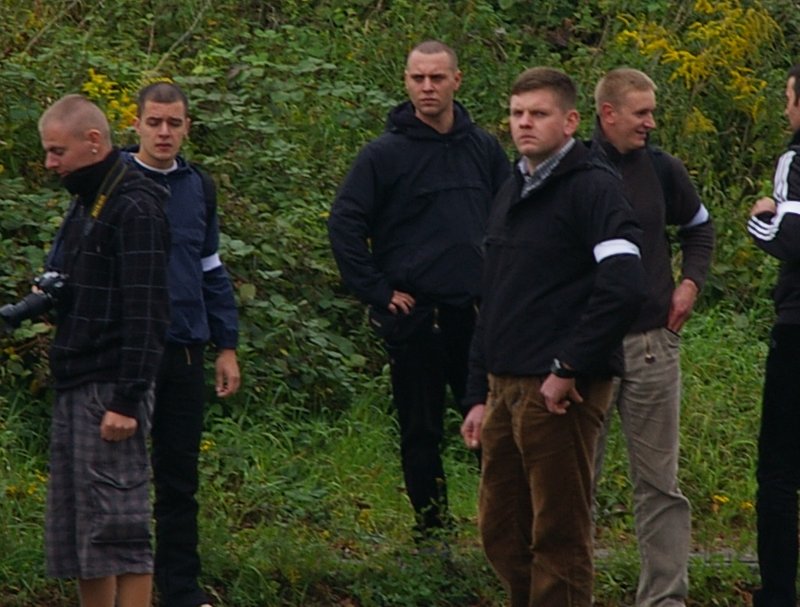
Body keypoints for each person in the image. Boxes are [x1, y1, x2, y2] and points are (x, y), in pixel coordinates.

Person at [460, 67, 646, 607]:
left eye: (537, 114)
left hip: (559, 393)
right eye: (517, 114)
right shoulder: (511, 187)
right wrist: (477, 391)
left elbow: (624, 285)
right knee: (501, 531)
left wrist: (569, 367)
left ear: (569, 121)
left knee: (558, 536)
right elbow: (491, 298)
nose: (524, 124)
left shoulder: (594, 187)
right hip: (503, 387)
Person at [327, 40, 510, 539]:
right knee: (421, 431)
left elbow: (512, 218)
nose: (427, 87)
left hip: (477, 316)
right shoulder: (383, 155)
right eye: (417, 79)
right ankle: (433, 537)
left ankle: (504, 531)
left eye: (436, 78)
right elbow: (344, 224)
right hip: (417, 317)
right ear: (406, 82)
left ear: (457, 79)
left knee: (494, 428)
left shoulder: (484, 149)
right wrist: (378, 290)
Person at [38, 94, 170, 607]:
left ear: (93, 142)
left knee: (121, 531)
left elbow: (148, 312)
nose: (51, 164)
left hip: (110, 388)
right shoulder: (87, 199)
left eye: (56, 151)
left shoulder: (135, 205)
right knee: (82, 536)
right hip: (75, 380)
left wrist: (127, 399)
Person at [590, 68, 715, 606]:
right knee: (573, 487)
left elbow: (700, 227)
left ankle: (664, 600)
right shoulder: (572, 171)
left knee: (660, 486)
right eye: (641, 113)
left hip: (651, 346)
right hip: (585, 352)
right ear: (608, 114)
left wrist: (690, 282)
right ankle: (569, 593)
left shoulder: (663, 169)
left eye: (652, 111)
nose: (651, 122)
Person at [122, 82, 241, 607]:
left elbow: (211, 268)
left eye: (174, 123)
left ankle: (179, 589)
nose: (164, 132)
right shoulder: (113, 182)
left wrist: (227, 344)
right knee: (121, 480)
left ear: (187, 126)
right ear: (137, 124)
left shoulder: (199, 187)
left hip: (186, 349)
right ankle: (123, 588)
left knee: (179, 477)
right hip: (126, 353)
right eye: (155, 122)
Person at [747, 63, 800, 607]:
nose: (786, 108)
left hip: (798, 329)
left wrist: (761, 215)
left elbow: (790, 236)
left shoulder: (795, 156)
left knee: (779, 472)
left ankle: (779, 594)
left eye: (788, 97)